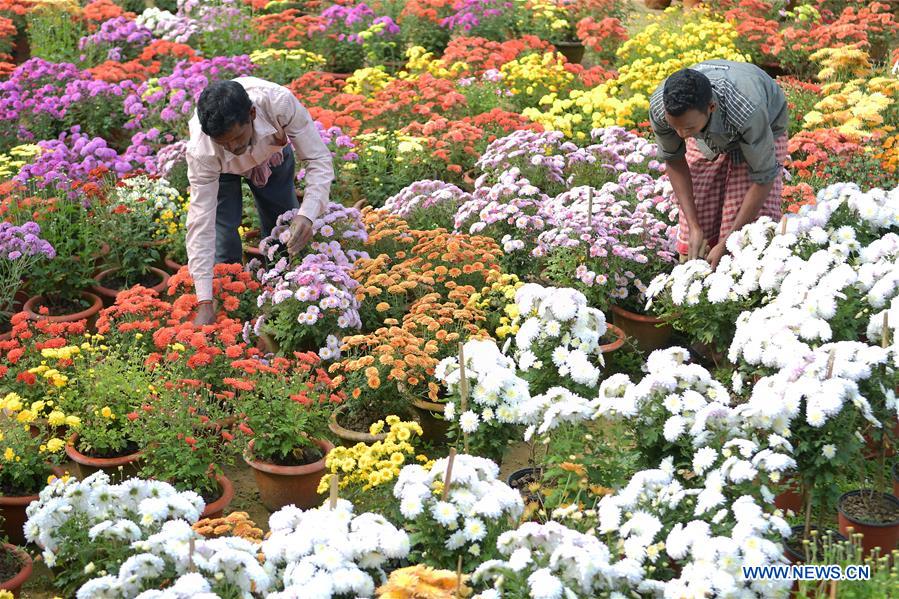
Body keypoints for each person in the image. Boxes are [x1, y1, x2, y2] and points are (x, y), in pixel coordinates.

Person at [185, 77, 334, 325]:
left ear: (252, 114)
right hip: (222, 172)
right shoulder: (203, 150)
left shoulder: (279, 103)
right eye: (224, 143)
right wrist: (204, 301)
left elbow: (318, 159)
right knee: (223, 236)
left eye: (237, 137)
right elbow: (201, 223)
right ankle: (232, 308)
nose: (233, 147)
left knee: (284, 230)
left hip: (272, 154)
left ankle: (281, 298)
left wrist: (306, 215)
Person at [649, 60, 789, 268]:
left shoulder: (748, 108)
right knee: (700, 214)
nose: (680, 135)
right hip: (706, 130)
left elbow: (764, 178)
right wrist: (694, 226)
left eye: (687, 128)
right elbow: (674, 159)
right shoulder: (662, 107)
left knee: (746, 225)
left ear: (711, 107)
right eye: (674, 127)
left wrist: (727, 242)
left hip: (764, 124)